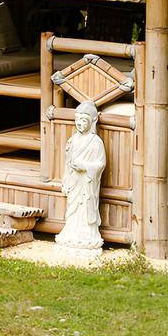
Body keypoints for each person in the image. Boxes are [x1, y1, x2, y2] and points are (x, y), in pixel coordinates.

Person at [56, 100, 106, 249]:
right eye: (77, 120)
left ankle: (87, 235)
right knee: (72, 208)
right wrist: (66, 181)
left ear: (91, 122)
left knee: (85, 207)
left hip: (87, 183)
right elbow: (67, 163)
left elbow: (100, 163)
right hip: (74, 181)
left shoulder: (96, 142)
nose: (79, 124)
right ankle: (71, 232)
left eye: (84, 120)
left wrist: (85, 167)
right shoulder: (73, 140)